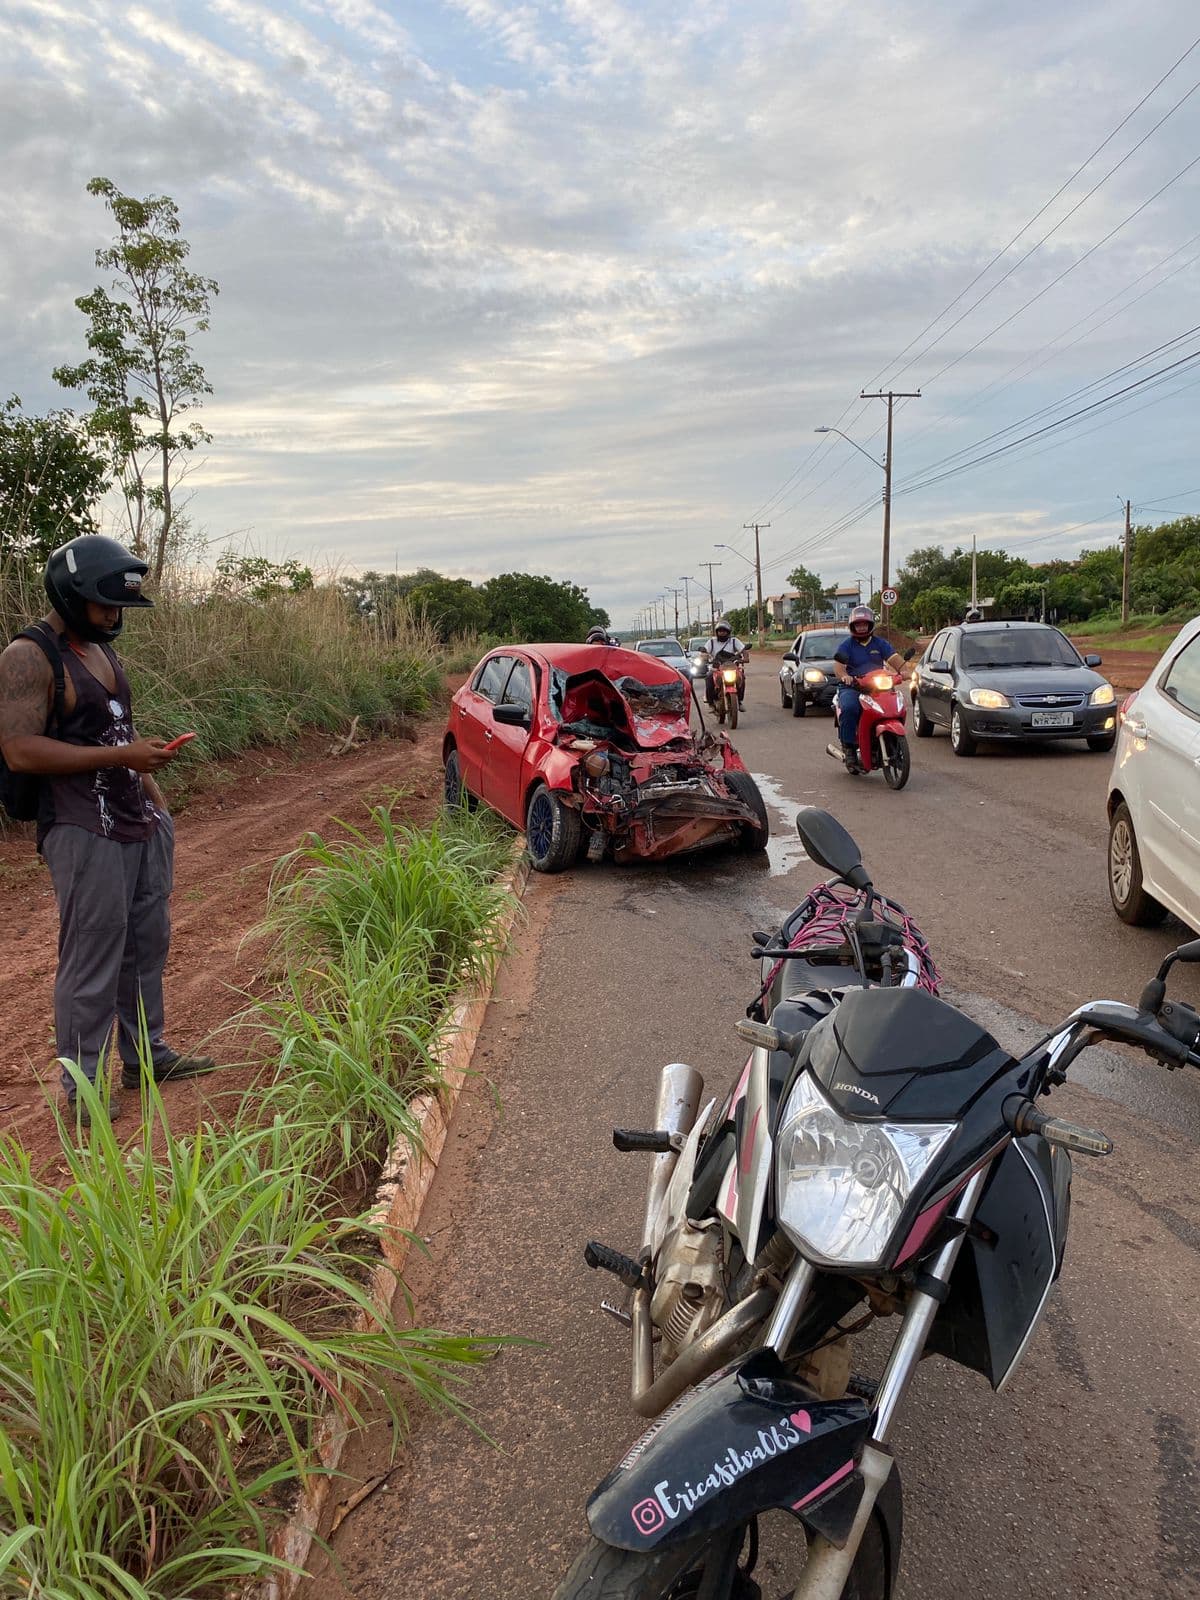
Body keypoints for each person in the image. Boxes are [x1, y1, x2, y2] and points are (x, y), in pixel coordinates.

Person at [0, 535, 214, 1122]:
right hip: (80, 826)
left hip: (136, 820)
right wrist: (121, 761)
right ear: (71, 596)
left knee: (145, 946)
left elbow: (118, 733)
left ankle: (147, 1055)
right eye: (105, 607)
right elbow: (19, 750)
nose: (114, 618)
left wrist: (157, 803)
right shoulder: (28, 656)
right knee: (91, 956)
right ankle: (83, 1087)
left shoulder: (99, 650)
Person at [832, 605, 906, 771]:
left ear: (870, 625)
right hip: (853, 687)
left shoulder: (880, 644)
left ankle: (892, 742)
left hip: (877, 686)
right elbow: (838, 667)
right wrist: (845, 676)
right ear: (853, 626)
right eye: (858, 624)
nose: (862, 627)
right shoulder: (847, 645)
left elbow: (895, 659)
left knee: (895, 706)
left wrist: (905, 671)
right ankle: (849, 748)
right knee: (850, 708)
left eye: (864, 624)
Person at [703, 619, 746, 707]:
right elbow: (705, 652)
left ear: (728, 632)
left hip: (732, 667)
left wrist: (746, 658)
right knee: (709, 677)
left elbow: (743, 650)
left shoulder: (734, 641)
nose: (722, 633)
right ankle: (710, 701)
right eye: (720, 631)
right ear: (717, 632)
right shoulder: (712, 642)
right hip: (716, 668)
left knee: (742, 677)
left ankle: (740, 700)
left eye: (724, 631)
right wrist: (704, 657)